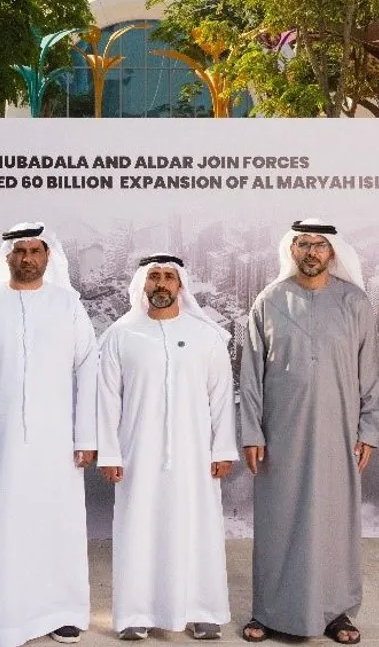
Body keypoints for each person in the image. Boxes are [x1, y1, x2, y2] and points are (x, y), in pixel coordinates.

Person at [0, 222, 99, 646]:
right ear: (7, 257)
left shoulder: (69, 306)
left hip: (57, 443)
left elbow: (88, 368)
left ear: (48, 256)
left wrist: (86, 436)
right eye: (20, 251)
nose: (28, 258)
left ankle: (62, 613)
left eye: (36, 251)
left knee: (56, 524)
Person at [237, 219, 379, 645]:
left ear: (332, 252)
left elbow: (371, 374)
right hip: (280, 435)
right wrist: (252, 433)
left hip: (339, 432)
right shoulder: (269, 300)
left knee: (334, 523)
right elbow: (251, 375)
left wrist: (369, 430)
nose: (312, 252)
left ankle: (337, 612)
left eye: (320, 245)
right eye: (304, 244)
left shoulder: (355, 303)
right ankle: (268, 610)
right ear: (292, 249)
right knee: (278, 522)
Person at [97, 254, 237, 641]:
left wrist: (222, 449)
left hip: (195, 455)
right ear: (143, 284)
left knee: (198, 528)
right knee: (138, 530)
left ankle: (202, 611)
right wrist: (109, 453)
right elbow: (106, 399)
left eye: (169, 277)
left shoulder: (206, 336)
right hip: (137, 454)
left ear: (181, 285)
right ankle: (136, 613)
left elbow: (221, 397)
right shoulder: (122, 335)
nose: (161, 283)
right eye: (154, 276)